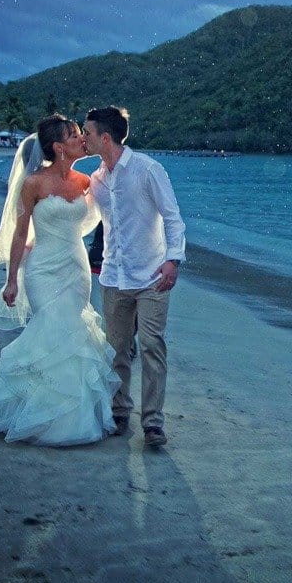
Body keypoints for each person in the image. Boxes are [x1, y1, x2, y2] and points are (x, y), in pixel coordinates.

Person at [0, 114, 121, 446]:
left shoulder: (86, 182)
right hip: (42, 269)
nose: (82, 140)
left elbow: (104, 215)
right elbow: (20, 234)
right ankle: (45, 415)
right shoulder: (33, 184)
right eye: (75, 135)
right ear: (59, 147)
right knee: (52, 328)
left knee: (72, 330)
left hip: (76, 269)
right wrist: (11, 281)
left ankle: (70, 416)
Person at [82, 106, 185, 447]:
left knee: (152, 345)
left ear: (105, 137)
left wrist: (173, 259)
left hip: (152, 275)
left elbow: (172, 217)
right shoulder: (96, 179)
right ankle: (119, 411)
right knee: (117, 350)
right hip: (113, 277)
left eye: (87, 132)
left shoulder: (147, 169)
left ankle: (153, 422)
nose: (83, 138)